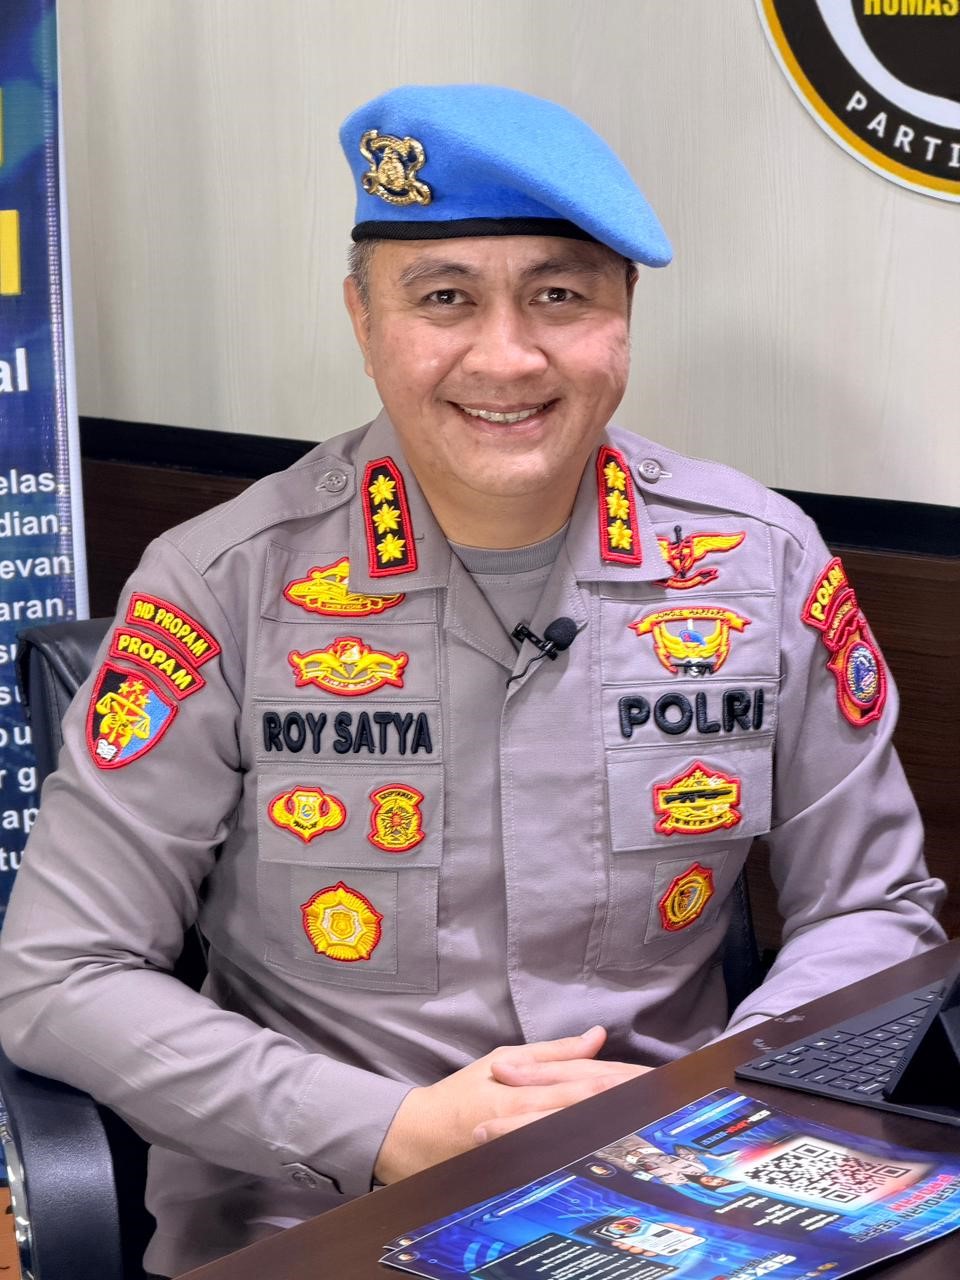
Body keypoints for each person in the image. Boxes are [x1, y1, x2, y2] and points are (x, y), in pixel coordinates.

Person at [0, 84, 946, 1277]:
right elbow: (58, 975)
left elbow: (873, 909)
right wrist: (386, 1128)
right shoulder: (220, 586)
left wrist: (716, 1098)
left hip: (687, 1203)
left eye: (560, 295)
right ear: (363, 318)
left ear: (624, 313)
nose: (506, 355)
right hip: (325, 1220)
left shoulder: (759, 564)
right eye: (444, 297)